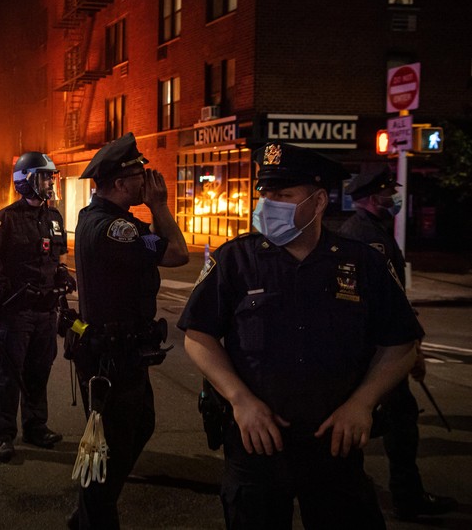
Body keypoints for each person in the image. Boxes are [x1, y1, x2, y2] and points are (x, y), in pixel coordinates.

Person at [178, 142, 422, 530]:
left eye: (283, 195)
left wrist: (362, 403)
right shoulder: (235, 260)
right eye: (265, 194)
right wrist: (240, 401)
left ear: (319, 201)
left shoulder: (361, 263)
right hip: (255, 441)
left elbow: (401, 343)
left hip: (335, 445)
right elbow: (198, 335)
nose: (267, 205)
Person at [69, 133, 189, 529]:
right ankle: (93, 518)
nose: (147, 181)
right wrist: (160, 205)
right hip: (113, 361)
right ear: (120, 184)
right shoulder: (115, 229)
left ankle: (89, 512)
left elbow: (155, 245)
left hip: (118, 354)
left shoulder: (100, 219)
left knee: (138, 428)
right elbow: (176, 252)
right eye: (139, 175)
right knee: (110, 451)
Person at [340, 163, 457, 521]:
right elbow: (384, 299)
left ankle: (379, 492)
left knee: (391, 418)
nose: (393, 196)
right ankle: (404, 496)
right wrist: (408, 348)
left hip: (376, 345)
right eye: (387, 191)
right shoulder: (367, 236)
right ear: (369, 197)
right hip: (379, 348)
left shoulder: (367, 230)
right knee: (398, 420)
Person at [0, 151, 72, 463]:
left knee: (39, 371)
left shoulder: (54, 218)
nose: (49, 182)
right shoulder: (6, 218)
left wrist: (64, 285)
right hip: (16, 311)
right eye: (44, 176)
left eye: (50, 177)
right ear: (26, 180)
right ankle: (4, 435)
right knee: (9, 373)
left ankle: (35, 427)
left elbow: (60, 259)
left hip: (46, 311)